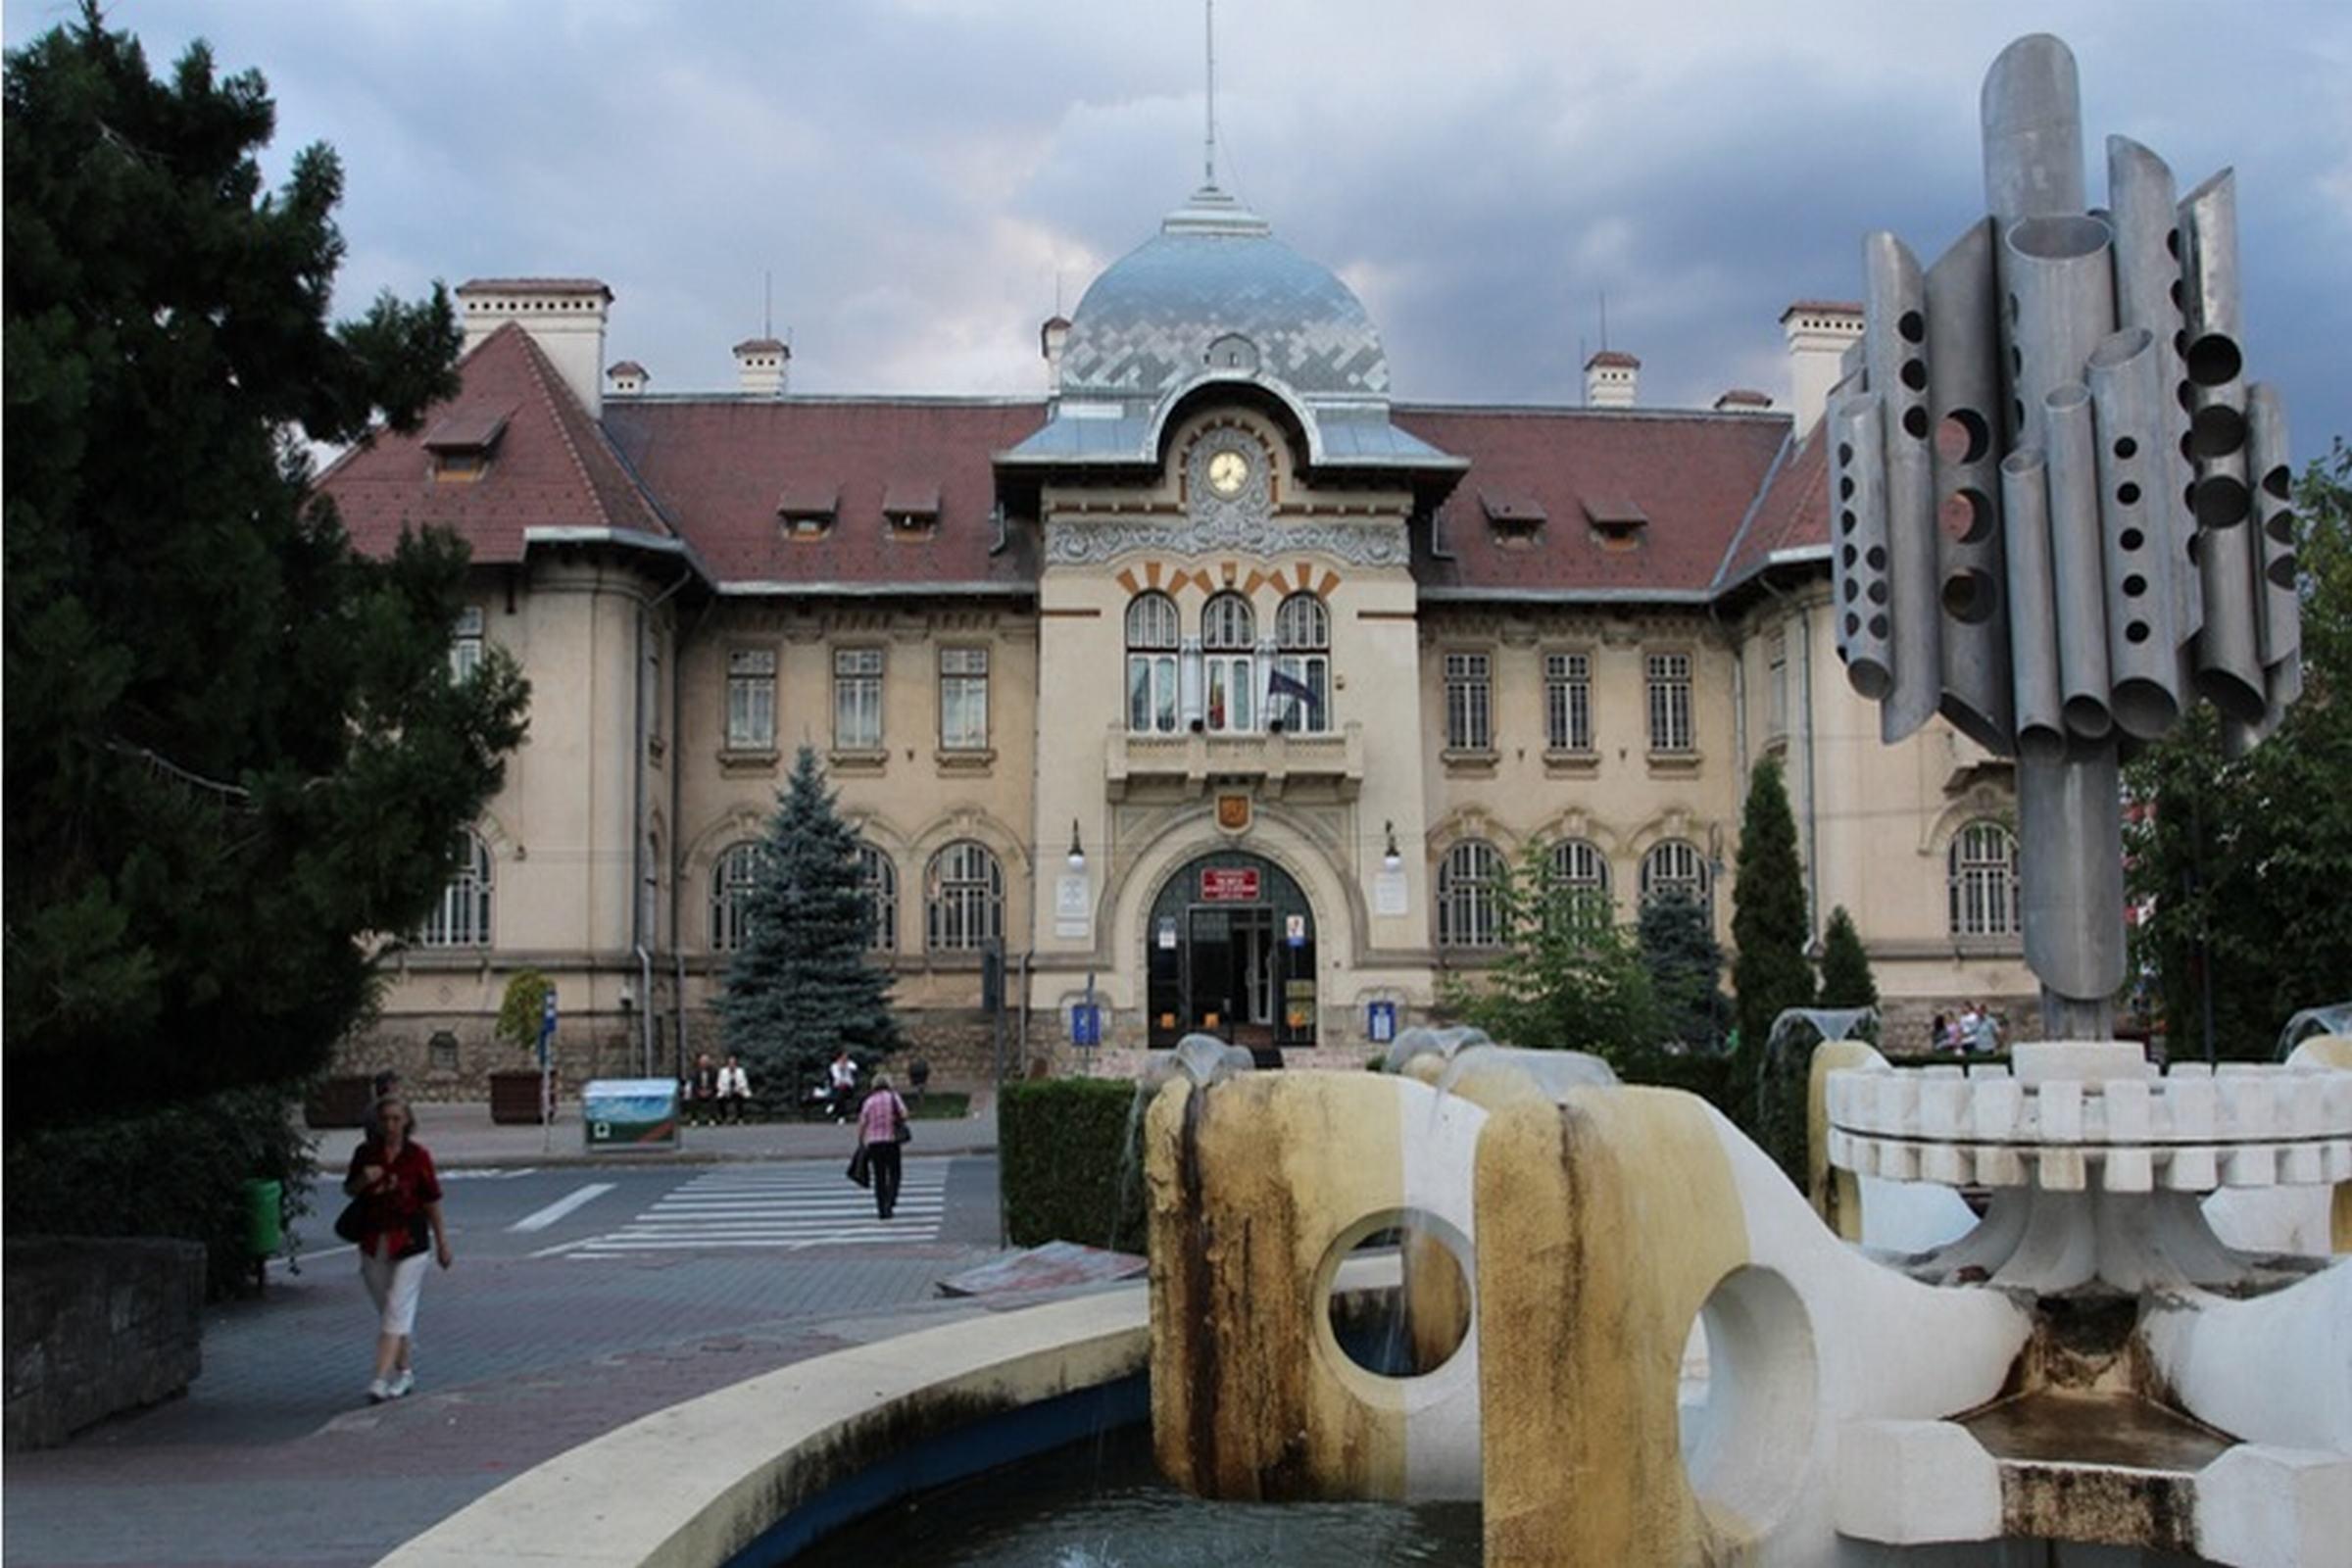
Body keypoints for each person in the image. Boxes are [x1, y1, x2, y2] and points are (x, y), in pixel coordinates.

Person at [344, 1095, 451, 1404]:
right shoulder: (366, 1154)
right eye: (386, 1119)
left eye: (396, 1119)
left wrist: (443, 1242)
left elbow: (431, 1200)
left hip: (410, 1242)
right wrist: (365, 1179)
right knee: (390, 1310)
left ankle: (379, 1378)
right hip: (373, 1240)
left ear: (407, 1122)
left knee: (396, 1307)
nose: (391, 1126)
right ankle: (404, 1372)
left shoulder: (417, 1157)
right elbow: (349, 1189)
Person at [857, 1072, 910, 1221]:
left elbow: (862, 1122)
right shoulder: (893, 1097)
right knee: (894, 1173)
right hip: (891, 1140)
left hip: (874, 1143)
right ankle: (891, 1200)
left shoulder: (869, 1101)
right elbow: (904, 1114)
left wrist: (861, 1141)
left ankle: (882, 1209)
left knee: (879, 1177)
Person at [716, 1053, 752, 1124]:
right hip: (726, 1092)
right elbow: (719, 1084)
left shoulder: (740, 1071)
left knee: (739, 1099)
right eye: (730, 1063)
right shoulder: (723, 1071)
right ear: (728, 1064)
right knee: (720, 1099)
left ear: (735, 1064)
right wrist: (725, 1091)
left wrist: (739, 1089)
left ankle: (740, 1118)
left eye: (733, 1063)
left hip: (738, 1091)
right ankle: (724, 1118)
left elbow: (744, 1083)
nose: (732, 1065)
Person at [826, 1048, 859, 1122]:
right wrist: (840, 1067)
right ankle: (841, 1116)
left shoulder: (850, 1064)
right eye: (843, 1056)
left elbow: (854, 1069)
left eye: (846, 1056)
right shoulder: (834, 1066)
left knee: (842, 1091)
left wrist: (846, 1067)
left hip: (848, 1088)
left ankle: (834, 1105)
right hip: (837, 1088)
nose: (845, 1058)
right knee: (840, 1095)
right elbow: (836, 1078)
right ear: (839, 1057)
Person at [688, 1052, 719, 1126]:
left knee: (713, 1099)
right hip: (698, 1092)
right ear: (699, 1062)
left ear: (708, 1062)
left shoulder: (713, 1071)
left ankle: (712, 1119)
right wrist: (700, 1092)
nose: (704, 1063)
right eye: (703, 1061)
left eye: (706, 1062)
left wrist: (709, 1091)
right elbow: (694, 1085)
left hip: (710, 1092)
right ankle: (694, 1119)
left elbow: (715, 1084)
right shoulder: (695, 1071)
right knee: (693, 1099)